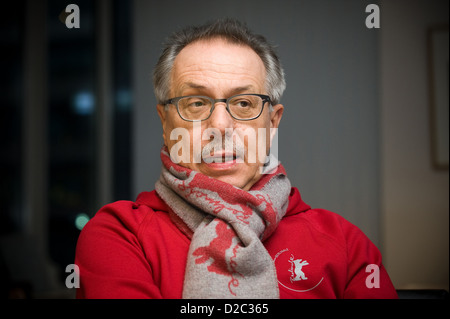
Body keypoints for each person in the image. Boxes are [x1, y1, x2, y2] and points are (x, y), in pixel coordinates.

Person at [75, 18, 398, 299]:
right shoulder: (118, 235)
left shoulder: (345, 243)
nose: (219, 125)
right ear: (165, 122)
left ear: (272, 123)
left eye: (244, 104)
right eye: (196, 103)